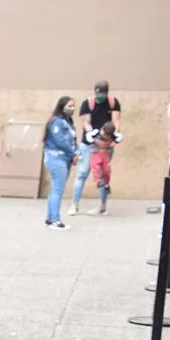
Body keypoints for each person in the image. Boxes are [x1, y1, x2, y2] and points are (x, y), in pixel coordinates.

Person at [71, 80, 121, 215]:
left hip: (106, 145)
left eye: (103, 95)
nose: (100, 98)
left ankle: (102, 206)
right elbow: (85, 122)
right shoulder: (88, 103)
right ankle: (74, 205)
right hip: (89, 144)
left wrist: (112, 137)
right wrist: (94, 136)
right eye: (98, 95)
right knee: (82, 174)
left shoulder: (113, 102)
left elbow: (116, 120)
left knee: (104, 175)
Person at [42, 96, 78, 230]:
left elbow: (73, 140)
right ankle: (55, 220)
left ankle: (50, 218)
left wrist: (76, 152)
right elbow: (60, 141)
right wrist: (73, 153)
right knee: (58, 189)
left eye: (73, 106)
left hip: (65, 159)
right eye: (69, 106)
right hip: (57, 159)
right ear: (62, 106)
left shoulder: (68, 122)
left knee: (55, 189)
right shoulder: (57, 122)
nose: (72, 108)